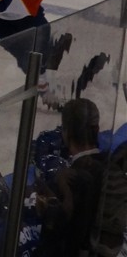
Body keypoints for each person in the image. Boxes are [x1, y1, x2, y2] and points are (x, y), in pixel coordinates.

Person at [35, 98, 108, 256]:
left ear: (66, 133)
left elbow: (54, 244)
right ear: (97, 129)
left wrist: (49, 209)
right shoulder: (111, 168)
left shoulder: (68, 182)